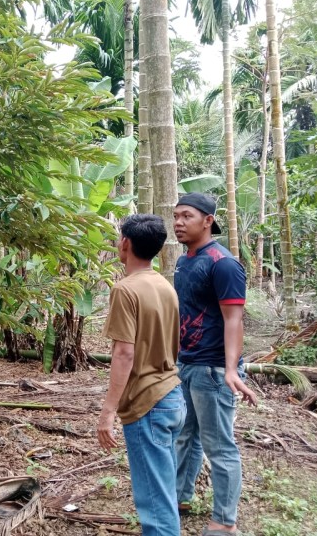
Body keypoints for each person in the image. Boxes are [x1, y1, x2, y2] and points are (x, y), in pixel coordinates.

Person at [172, 193, 258, 536]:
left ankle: (225, 521)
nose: (178, 222)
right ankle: (179, 498)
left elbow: (234, 319)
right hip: (187, 364)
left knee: (219, 446)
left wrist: (231, 369)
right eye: (176, 216)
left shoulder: (222, 263)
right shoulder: (184, 260)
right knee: (184, 436)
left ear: (208, 220)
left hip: (211, 370)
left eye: (187, 216)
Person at [97, 214, 186, 536]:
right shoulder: (166, 287)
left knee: (154, 501)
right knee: (162, 489)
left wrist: (108, 412)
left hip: (147, 403)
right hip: (173, 396)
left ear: (126, 243)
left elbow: (124, 353)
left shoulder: (126, 290)